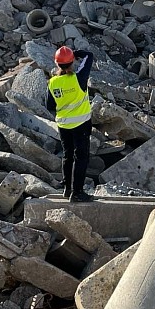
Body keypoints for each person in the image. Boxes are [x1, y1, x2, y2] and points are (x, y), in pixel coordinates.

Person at [45, 46, 95, 202]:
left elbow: (50, 106)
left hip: (63, 126)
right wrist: (76, 53)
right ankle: (77, 192)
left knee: (67, 156)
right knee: (81, 158)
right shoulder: (79, 78)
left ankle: (67, 189)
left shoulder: (52, 83)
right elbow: (89, 56)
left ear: (57, 64)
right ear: (72, 62)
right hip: (81, 124)